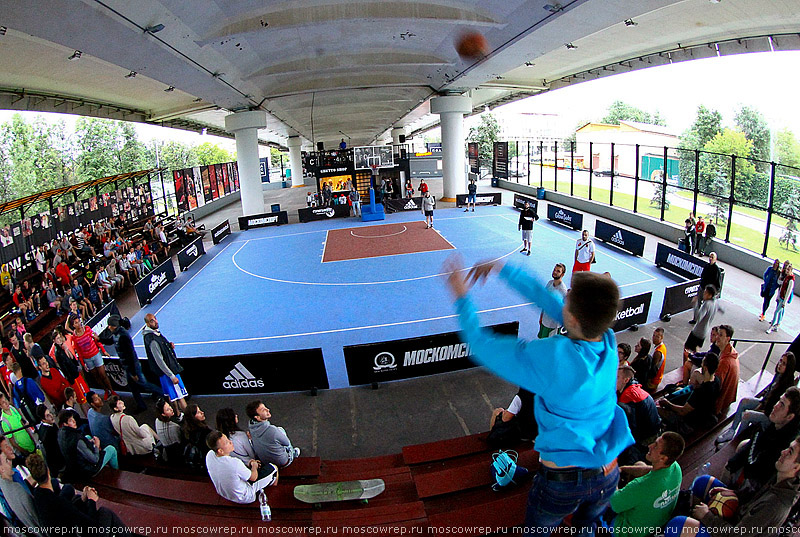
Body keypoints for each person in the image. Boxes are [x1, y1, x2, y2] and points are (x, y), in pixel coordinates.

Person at [444, 258, 632, 533]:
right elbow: (551, 303)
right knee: (586, 528)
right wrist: (503, 269)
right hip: (607, 475)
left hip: (562, 483)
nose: (562, 298)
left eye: (567, 298)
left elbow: (483, 345)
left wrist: (461, 296)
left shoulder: (554, 357)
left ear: (574, 318)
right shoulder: (607, 340)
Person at [665, 437, 800, 537]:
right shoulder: (780, 479)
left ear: (797, 467)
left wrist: (707, 516)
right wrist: (732, 493)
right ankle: (692, 522)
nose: (783, 451)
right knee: (703, 482)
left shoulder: (775, 504)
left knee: (676, 526)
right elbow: (751, 501)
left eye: (790, 452)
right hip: (737, 520)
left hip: (733, 532)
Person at [27, 452, 130, 537]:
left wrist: (83, 499)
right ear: (48, 471)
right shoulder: (58, 502)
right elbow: (91, 525)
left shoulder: (38, 494)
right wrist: (91, 500)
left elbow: (70, 511)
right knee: (105, 513)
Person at [723, 389, 800, 498]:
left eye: (782, 405)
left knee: (706, 482)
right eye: (779, 401)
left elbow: (757, 475)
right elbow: (752, 447)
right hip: (750, 470)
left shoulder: (783, 446)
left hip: (751, 488)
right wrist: (732, 464)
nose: (776, 406)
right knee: (737, 454)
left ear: (790, 417)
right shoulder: (775, 426)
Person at [610, 432, 684, 537]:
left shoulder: (641, 486)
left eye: (655, 446)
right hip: (658, 523)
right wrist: (623, 468)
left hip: (630, 531)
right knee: (639, 464)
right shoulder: (675, 468)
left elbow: (613, 504)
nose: (650, 446)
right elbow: (647, 470)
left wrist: (612, 477)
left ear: (663, 458)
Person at [717, 352, 797, 445]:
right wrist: (761, 403)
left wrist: (760, 408)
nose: (780, 365)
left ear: (789, 367)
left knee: (747, 415)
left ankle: (734, 442)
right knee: (744, 402)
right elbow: (768, 395)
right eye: (780, 361)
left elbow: (774, 404)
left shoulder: (786, 384)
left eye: (784, 364)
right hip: (765, 404)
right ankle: (732, 430)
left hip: (770, 415)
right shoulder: (779, 375)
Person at [102, 315, 162, 413]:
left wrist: (133, 373)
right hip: (128, 366)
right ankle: (141, 405)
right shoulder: (116, 334)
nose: (108, 327)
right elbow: (110, 341)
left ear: (114, 325)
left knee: (145, 384)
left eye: (110, 325)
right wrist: (99, 339)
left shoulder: (123, 336)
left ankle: (164, 394)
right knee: (133, 387)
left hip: (132, 366)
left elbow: (129, 354)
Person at [205, 430, 279, 505]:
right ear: (220, 451)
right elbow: (253, 477)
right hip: (246, 496)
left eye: (228, 439)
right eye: (227, 442)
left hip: (224, 493)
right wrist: (254, 465)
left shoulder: (209, 455)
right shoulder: (235, 463)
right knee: (274, 468)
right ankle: (272, 489)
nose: (230, 442)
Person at [657, 353, 720, 436]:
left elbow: (683, 411)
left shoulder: (701, 391)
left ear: (705, 368)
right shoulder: (717, 381)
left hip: (690, 422)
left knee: (657, 409)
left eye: (702, 363)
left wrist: (667, 403)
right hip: (705, 415)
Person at [617, 365, 661, 465]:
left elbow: (630, 428)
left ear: (626, 380)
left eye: (617, 377)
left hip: (645, 441)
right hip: (655, 432)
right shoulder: (636, 388)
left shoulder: (628, 397)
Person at [143, 313, 188, 411]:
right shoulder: (152, 340)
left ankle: (177, 414)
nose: (156, 321)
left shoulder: (154, 333)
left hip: (165, 372)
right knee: (180, 395)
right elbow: (159, 360)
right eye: (152, 320)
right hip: (168, 372)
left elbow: (161, 350)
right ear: (147, 323)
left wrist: (168, 346)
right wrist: (171, 376)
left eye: (155, 319)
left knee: (172, 395)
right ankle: (190, 419)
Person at [57, 410, 118, 479]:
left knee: (88, 437)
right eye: (71, 420)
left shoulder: (61, 432)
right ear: (65, 424)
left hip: (73, 464)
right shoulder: (77, 440)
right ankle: (117, 473)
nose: (74, 421)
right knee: (111, 449)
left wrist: (88, 442)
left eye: (73, 419)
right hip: (86, 471)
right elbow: (95, 459)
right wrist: (97, 446)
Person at [70, 317, 116, 400]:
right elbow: (79, 351)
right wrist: (83, 364)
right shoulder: (74, 337)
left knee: (103, 374)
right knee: (96, 376)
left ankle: (112, 390)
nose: (79, 324)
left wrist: (103, 351)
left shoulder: (87, 329)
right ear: (73, 325)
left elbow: (96, 339)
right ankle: (106, 391)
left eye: (79, 321)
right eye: (76, 323)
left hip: (96, 354)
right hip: (87, 359)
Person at [247, 400, 300, 468]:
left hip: (266, 463)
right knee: (281, 430)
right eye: (263, 410)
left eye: (265, 407)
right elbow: (286, 443)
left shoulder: (251, 427)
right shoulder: (273, 430)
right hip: (283, 462)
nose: (268, 409)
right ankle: (293, 453)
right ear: (257, 417)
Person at [0, 450, 43, 530]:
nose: (10, 462)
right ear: (1, 469)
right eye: (6, 461)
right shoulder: (16, 493)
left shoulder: (9, 482)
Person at [714, 324, 740, 417]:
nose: (717, 337)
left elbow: (716, 386)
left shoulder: (725, 361)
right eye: (717, 334)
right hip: (728, 399)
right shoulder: (731, 352)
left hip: (721, 403)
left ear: (728, 339)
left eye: (721, 335)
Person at [0, 394, 36, 460]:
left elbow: (23, 425)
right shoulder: (4, 422)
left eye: (6, 400)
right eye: (3, 402)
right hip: (24, 449)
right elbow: (12, 441)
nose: (6, 403)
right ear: (0, 406)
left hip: (31, 443)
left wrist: (32, 438)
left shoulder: (12, 408)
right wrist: (24, 451)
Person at [538, 263, 567, 338]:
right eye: (554, 270)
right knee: (541, 341)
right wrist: (541, 316)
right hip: (545, 320)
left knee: (548, 345)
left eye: (558, 271)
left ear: (562, 274)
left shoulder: (562, 290)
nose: (555, 272)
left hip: (553, 325)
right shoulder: (550, 283)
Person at [686, 285, 718, 352]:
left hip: (698, 331)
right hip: (704, 331)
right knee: (696, 349)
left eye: (705, 293)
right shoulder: (715, 302)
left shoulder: (706, 304)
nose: (703, 294)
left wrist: (695, 304)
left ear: (710, 295)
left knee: (687, 349)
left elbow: (698, 318)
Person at [767, 261, 794, 334]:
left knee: (776, 312)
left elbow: (788, 292)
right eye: (786, 269)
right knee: (780, 311)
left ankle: (772, 326)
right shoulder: (786, 278)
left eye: (788, 270)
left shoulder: (790, 280)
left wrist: (784, 302)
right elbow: (781, 285)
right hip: (781, 297)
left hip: (783, 299)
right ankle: (777, 325)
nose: (786, 271)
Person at [154, 398, 184, 463]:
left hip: (166, 451)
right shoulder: (174, 427)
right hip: (175, 453)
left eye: (170, 406)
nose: (171, 409)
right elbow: (179, 441)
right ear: (163, 414)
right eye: (168, 409)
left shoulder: (157, 421)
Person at [646, 328, 667, 393]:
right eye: (653, 335)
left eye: (657, 337)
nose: (654, 338)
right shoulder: (662, 347)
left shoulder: (658, 353)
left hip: (653, 381)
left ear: (662, 337)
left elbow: (652, 369)